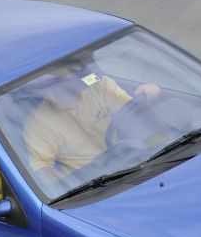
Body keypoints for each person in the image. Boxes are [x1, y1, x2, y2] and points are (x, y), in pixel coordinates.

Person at [22, 63, 160, 186]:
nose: (86, 79)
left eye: (82, 73)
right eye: (74, 77)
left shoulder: (97, 84)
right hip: (92, 182)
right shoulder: (39, 123)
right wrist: (63, 188)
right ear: (55, 83)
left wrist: (145, 96)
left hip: (127, 160)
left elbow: (131, 113)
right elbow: (42, 168)